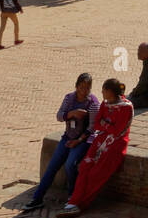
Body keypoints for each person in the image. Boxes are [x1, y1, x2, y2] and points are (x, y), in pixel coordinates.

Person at [23, 72, 101, 209]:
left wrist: (78, 140)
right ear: (76, 86)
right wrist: (71, 114)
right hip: (68, 137)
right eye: (82, 87)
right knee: (52, 166)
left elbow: (93, 127)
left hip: (84, 140)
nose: (84, 91)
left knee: (70, 164)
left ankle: (73, 196)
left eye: (87, 88)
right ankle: (37, 198)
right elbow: (59, 116)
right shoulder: (69, 98)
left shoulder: (93, 103)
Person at [58, 78, 133, 218]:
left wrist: (106, 125)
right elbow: (98, 125)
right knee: (85, 167)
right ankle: (73, 201)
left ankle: (81, 203)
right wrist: (108, 125)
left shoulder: (126, 107)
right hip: (100, 141)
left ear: (110, 92)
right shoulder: (105, 104)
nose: (102, 92)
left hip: (115, 145)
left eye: (104, 90)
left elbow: (117, 131)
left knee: (95, 174)